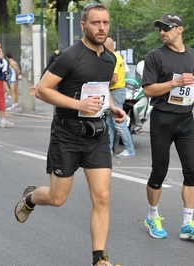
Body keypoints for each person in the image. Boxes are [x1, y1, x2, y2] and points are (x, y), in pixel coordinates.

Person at [14, 3, 125, 266]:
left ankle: (99, 259)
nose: (101, 27)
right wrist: (79, 105)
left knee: (103, 196)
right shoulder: (69, 56)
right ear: (83, 25)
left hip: (96, 135)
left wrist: (111, 106)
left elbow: (99, 89)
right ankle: (30, 198)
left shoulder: (109, 59)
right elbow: (42, 90)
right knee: (57, 198)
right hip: (67, 136)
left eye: (105, 23)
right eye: (96, 23)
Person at [140, 13, 194, 240]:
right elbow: (148, 90)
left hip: (186, 120)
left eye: (167, 27)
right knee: (159, 171)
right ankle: (152, 216)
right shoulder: (155, 56)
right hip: (162, 119)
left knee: (192, 171)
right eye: (159, 28)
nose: (162, 31)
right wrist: (175, 82)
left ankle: (187, 223)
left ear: (180, 29)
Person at [104, 37, 135, 158]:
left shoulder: (113, 58)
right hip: (118, 91)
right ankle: (109, 149)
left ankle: (130, 149)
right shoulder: (118, 56)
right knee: (110, 123)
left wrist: (102, 85)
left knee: (117, 123)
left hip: (115, 92)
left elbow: (114, 78)